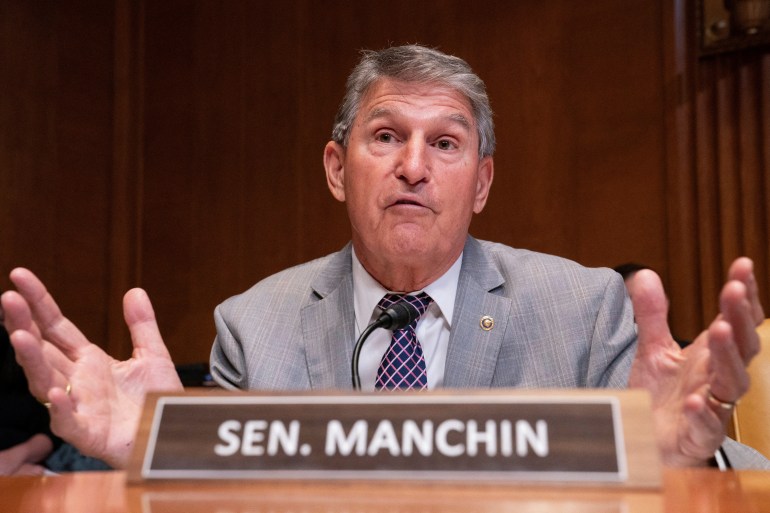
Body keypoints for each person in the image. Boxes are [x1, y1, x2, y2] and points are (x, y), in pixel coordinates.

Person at [1, 45, 767, 472]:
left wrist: (682, 462)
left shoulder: (584, 305)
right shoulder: (253, 324)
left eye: (445, 143)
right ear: (337, 168)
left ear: (482, 182)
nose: (413, 166)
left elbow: (722, 468)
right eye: (385, 136)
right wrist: (157, 451)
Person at [0, 300, 58, 475]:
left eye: (2, 320)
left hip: (27, 468)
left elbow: (51, 433)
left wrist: (13, 459)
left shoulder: (27, 372)